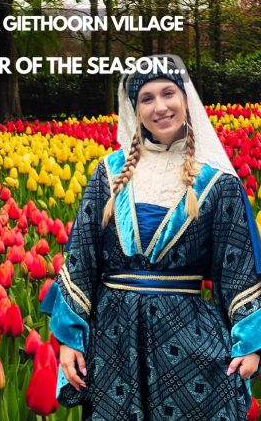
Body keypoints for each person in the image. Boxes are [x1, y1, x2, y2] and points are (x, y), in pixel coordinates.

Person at [40, 54, 261, 420]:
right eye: (147, 98)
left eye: (168, 93)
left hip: (186, 338)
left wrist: (249, 345)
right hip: (113, 339)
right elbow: (80, 258)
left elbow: (236, 268)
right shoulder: (109, 173)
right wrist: (69, 340)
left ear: (185, 98)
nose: (160, 107)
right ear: (135, 109)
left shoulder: (218, 183)